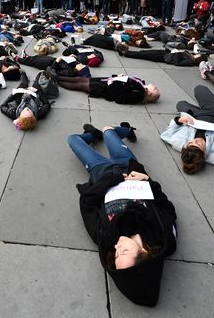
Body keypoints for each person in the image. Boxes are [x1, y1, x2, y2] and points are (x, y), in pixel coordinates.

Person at [67, 124, 177, 306]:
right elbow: (166, 207)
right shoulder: (164, 236)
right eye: (124, 251)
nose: (117, 247)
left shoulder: (105, 237)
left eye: (116, 255)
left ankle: (91, 135)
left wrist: (111, 180)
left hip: (102, 172)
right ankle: (124, 130)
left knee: (72, 138)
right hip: (129, 166)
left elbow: (87, 203)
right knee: (108, 131)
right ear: (144, 252)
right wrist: (147, 181)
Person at [56, 74, 160, 105]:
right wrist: (120, 76)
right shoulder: (142, 85)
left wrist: (111, 84)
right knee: (80, 79)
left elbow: (120, 98)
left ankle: (57, 81)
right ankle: (56, 77)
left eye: (155, 89)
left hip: (106, 89)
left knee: (79, 85)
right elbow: (129, 81)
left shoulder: (139, 95)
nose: (155, 86)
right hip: (107, 81)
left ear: (150, 94)